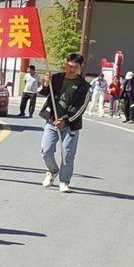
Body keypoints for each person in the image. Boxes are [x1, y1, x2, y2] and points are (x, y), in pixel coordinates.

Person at [39, 53, 89, 192]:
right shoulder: (56, 78)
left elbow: (81, 108)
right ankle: (53, 171)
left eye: (75, 67)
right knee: (46, 151)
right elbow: (44, 92)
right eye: (69, 65)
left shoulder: (84, 86)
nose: (71, 69)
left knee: (67, 154)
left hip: (70, 125)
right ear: (65, 64)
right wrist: (46, 83)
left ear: (80, 67)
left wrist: (66, 120)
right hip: (52, 121)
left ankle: (64, 181)